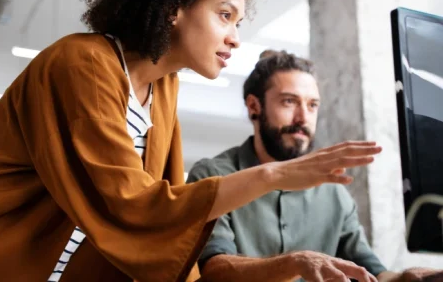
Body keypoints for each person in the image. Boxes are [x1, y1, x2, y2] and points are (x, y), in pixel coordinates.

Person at [0, 0, 382, 282]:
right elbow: (134, 207)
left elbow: (166, 218)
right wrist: (272, 176)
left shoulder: (162, 90)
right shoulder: (82, 64)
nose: (233, 38)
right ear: (172, 7)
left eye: (239, 22)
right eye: (224, 15)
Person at [188, 50, 442, 282]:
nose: (303, 118)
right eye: (289, 102)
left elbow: (371, 271)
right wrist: (295, 263)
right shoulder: (213, 176)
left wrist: (406, 278)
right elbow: (214, 271)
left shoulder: (334, 192)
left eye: (312, 105)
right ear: (254, 106)